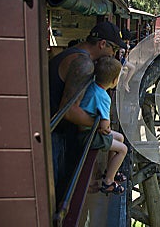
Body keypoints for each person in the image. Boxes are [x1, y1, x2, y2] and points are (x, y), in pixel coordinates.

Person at [49, 21, 127, 201]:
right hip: (54, 136)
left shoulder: (75, 54)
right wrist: (100, 124)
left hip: (58, 131)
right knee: (58, 192)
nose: (112, 55)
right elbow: (69, 111)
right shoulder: (83, 64)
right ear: (102, 44)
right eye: (113, 49)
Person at [77, 57, 127, 195]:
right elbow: (105, 127)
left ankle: (110, 170)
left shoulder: (93, 85)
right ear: (114, 81)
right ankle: (108, 182)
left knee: (120, 137)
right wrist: (108, 129)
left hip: (84, 130)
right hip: (88, 136)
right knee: (123, 149)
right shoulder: (104, 97)